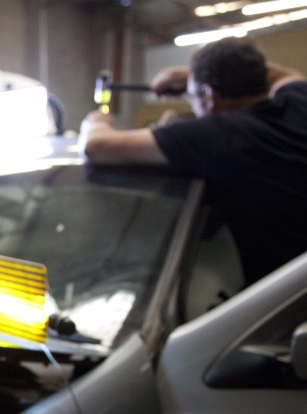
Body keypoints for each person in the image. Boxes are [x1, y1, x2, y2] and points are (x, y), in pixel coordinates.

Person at [80, 36, 307, 286]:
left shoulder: (216, 136)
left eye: (192, 97)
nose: (192, 105)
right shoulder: (298, 102)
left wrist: (97, 121)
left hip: (284, 301)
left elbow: (97, 147)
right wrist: (191, 78)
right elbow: (284, 74)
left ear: (209, 95)